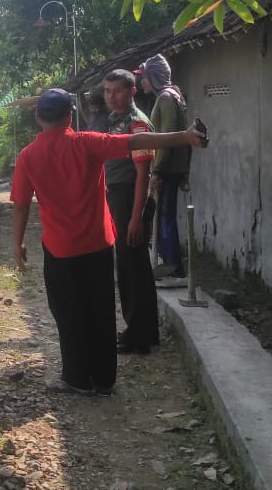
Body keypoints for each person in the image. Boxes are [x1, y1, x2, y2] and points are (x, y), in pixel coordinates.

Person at [11, 89, 207, 395]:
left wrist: (17, 243)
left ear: (38, 117)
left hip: (59, 249)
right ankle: (103, 380)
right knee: (101, 309)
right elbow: (136, 142)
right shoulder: (87, 142)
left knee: (68, 313)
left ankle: (76, 378)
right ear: (69, 116)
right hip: (97, 245)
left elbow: (21, 204)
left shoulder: (27, 157)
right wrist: (184, 136)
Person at [102, 70, 160, 355]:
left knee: (133, 267)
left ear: (132, 92)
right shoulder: (115, 121)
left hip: (131, 199)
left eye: (118, 91)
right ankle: (141, 331)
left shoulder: (137, 124)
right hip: (120, 197)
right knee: (129, 266)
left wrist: (136, 217)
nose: (112, 96)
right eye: (108, 91)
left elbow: (142, 174)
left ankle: (139, 337)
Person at [136, 54, 192, 279]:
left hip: (166, 169)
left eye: (145, 78)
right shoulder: (173, 96)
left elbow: (167, 139)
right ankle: (170, 266)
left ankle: (173, 268)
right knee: (164, 217)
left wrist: (156, 171)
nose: (142, 83)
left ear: (154, 77)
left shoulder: (166, 99)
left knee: (165, 219)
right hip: (173, 168)